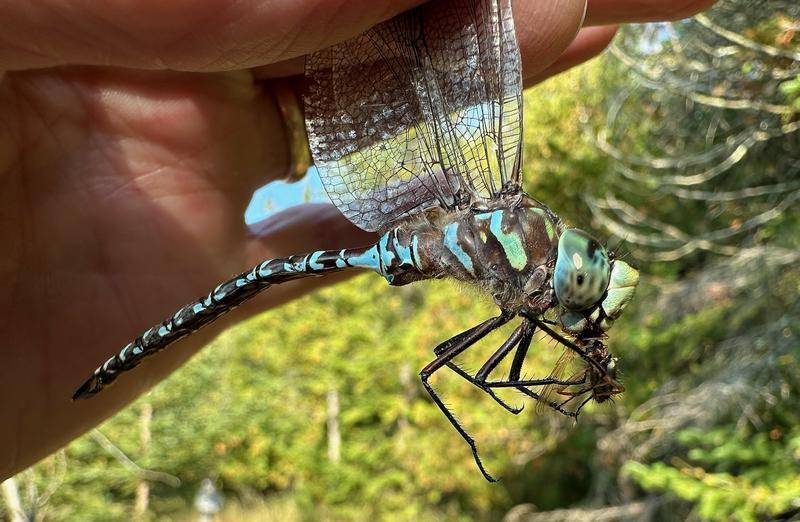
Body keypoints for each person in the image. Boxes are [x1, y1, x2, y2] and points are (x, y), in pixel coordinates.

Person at [0, 0, 715, 480]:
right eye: (588, 288)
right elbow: (488, 366)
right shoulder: (524, 262)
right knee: (457, 368)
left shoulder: (525, 263)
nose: (583, 303)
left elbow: (504, 361)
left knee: (471, 367)